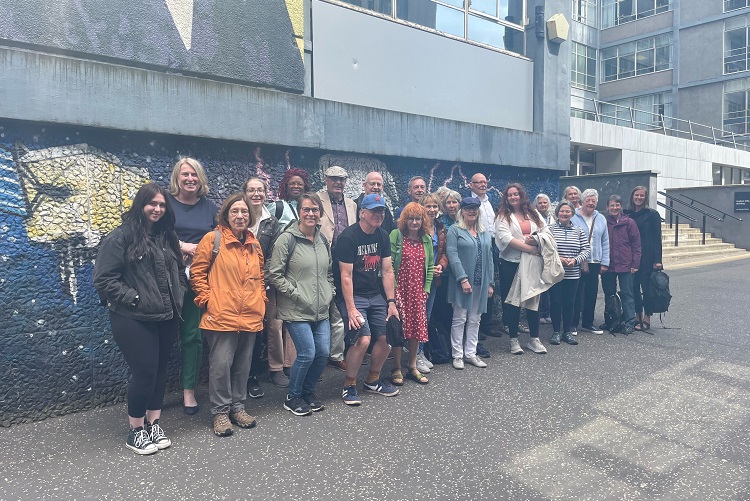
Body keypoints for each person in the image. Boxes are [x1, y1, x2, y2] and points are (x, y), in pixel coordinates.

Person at [94, 182, 187, 455]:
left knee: (160, 371)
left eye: (162, 205)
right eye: (152, 204)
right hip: (133, 317)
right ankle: (135, 429)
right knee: (145, 371)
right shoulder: (121, 237)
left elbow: (179, 270)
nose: (157, 209)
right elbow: (104, 279)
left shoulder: (167, 236)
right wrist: (135, 298)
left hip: (167, 315)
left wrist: (179, 293)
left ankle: (153, 423)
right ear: (141, 205)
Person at [190, 193, 266, 437]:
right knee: (221, 366)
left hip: (251, 314)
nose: (240, 216)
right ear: (226, 215)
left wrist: (261, 301)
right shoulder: (213, 239)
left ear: (250, 216)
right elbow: (197, 273)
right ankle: (220, 412)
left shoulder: (254, 244)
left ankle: (238, 407)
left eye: (244, 212)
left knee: (243, 365)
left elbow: (260, 277)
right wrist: (208, 301)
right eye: (235, 211)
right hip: (221, 315)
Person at [268, 193, 334, 416]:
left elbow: (329, 272)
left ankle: (308, 392)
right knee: (307, 353)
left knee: (322, 353)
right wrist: (295, 294)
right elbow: (275, 274)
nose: (311, 214)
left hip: (321, 308)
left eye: (315, 210)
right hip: (296, 308)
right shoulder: (287, 239)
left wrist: (330, 293)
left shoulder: (322, 239)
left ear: (320, 213)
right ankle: (293, 396)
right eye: (306, 209)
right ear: (299, 212)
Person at [334, 193, 400, 405]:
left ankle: (372, 380)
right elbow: (345, 276)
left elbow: (387, 271)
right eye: (373, 211)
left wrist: (391, 303)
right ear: (362, 213)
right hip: (353, 296)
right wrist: (351, 309)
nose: (378, 215)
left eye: (381, 211)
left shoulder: (382, 236)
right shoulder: (348, 237)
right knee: (363, 339)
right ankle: (349, 385)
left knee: (386, 336)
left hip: (375, 294)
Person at [166, 157, 217, 415]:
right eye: (185, 174)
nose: (189, 179)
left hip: (197, 278)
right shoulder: (165, 203)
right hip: (165, 278)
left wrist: (203, 252)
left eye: (194, 174)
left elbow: (219, 239)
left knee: (192, 336)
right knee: (160, 337)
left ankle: (189, 390)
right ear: (177, 177)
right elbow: (153, 233)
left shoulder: (209, 207)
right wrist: (181, 246)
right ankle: (154, 391)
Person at [495, 183, 548, 355]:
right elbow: (506, 238)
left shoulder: (533, 213)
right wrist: (530, 247)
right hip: (511, 263)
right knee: (513, 302)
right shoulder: (502, 216)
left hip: (532, 263)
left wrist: (535, 241)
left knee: (533, 300)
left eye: (516, 194)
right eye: (510, 195)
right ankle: (513, 340)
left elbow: (545, 232)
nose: (513, 197)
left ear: (521, 195)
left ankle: (534, 339)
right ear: (506, 198)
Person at [446, 196, 494, 369]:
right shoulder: (455, 230)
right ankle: (457, 355)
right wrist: (462, 278)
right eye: (468, 209)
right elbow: (452, 255)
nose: (472, 211)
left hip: (481, 282)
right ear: (462, 211)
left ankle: (471, 353)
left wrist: (490, 283)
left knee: (475, 319)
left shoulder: (484, 232)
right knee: (459, 318)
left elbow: (489, 258)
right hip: (463, 282)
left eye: (474, 209)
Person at [389, 203, 434, 385]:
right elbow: (389, 265)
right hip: (400, 290)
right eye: (410, 218)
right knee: (399, 329)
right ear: (404, 220)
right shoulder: (396, 235)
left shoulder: (426, 239)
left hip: (418, 291)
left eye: (418, 219)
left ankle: (412, 366)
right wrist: (393, 291)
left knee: (416, 328)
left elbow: (430, 266)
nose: (414, 222)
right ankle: (396, 367)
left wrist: (426, 289)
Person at [318, 165, 358, 373]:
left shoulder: (352, 204)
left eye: (342, 179)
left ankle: (336, 355)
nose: (338, 183)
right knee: (321, 307)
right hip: (321, 260)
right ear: (326, 179)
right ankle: (319, 356)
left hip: (345, 262)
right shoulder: (317, 200)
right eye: (334, 179)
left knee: (340, 309)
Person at [243, 178, 280, 398]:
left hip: (261, 284)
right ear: (245, 193)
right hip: (235, 283)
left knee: (259, 329)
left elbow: (273, 256)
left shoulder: (271, 222)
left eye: (260, 190)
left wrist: (261, 281)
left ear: (266, 193)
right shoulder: (237, 215)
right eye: (251, 190)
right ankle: (239, 376)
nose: (256, 194)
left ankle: (254, 375)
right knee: (239, 330)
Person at [548, 202, 591, 346]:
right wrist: (558, 259)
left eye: (568, 211)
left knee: (570, 303)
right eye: (562, 211)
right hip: (555, 273)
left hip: (573, 274)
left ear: (572, 214)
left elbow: (586, 250)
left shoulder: (579, 231)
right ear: (557, 213)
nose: (564, 214)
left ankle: (567, 332)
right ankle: (556, 332)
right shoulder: (550, 229)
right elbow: (545, 249)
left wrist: (576, 260)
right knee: (555, 302)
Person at [571, 189, 610, 336]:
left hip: (594, 261)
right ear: (582, 201)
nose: (591, 203)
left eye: (594, 201)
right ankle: (572, 324)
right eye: (588, 200)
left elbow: (605, 241)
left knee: (591, 293)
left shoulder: (601, 218)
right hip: (577, 261)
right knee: (575, 293)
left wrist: (605, 262)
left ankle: (588, 323)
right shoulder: (573, 216)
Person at [602, 195, 641, 335]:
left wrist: (635, 263)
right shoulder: (604, 222)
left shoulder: (629, 222)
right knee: (609, 294)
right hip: (608, 264)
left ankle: (629, 322)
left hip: (626, 264)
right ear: (607, 207)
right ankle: (611, 320)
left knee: (627, 294)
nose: (615, 208)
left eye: (617, 205)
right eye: (612, 205)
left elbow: (636, 245)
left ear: (621, 207)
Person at [625, 186, 663, 331]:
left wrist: (658, 260)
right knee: (633, 288)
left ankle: (647, 317)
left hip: (647, 257)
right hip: (631, 257)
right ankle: (637, 316)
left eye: (642, 195)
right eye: (636, 195)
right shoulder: (627, 214)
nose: (639, 198)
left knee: (647, 289)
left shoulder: (652, 214)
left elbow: (657, 239)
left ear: (645, 198)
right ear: (632, 196)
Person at [470, 172, 502, 338]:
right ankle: (476, 326)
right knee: (477, 285)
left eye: (484, 182)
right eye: (479, 182)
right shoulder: (468, 202)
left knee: (491, 283)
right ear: (471, 185)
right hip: (477, 244)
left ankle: (487, 324)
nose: (483, 185)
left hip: (493, 244)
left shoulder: (490, 200)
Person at [420, 193, 448, 371]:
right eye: (428, 206)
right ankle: (416, 355)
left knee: (426, 317)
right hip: (417, 278)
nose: (432, 209)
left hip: (433, 279)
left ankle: (422, 352)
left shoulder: (441, 227)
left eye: (435, 206)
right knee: (417, 316)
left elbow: (443, 253)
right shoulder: (416, 226)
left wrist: (441, 266)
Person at [533, 193, 555, 324]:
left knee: (548, 284)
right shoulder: (533, 216)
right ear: (536, 204)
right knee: (539, 285)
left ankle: (547, 312)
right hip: (538, 253)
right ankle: (540, 313)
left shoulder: (552, 217)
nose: (543, 205)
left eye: (545, 202)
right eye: (540, 203)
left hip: (549, 254)